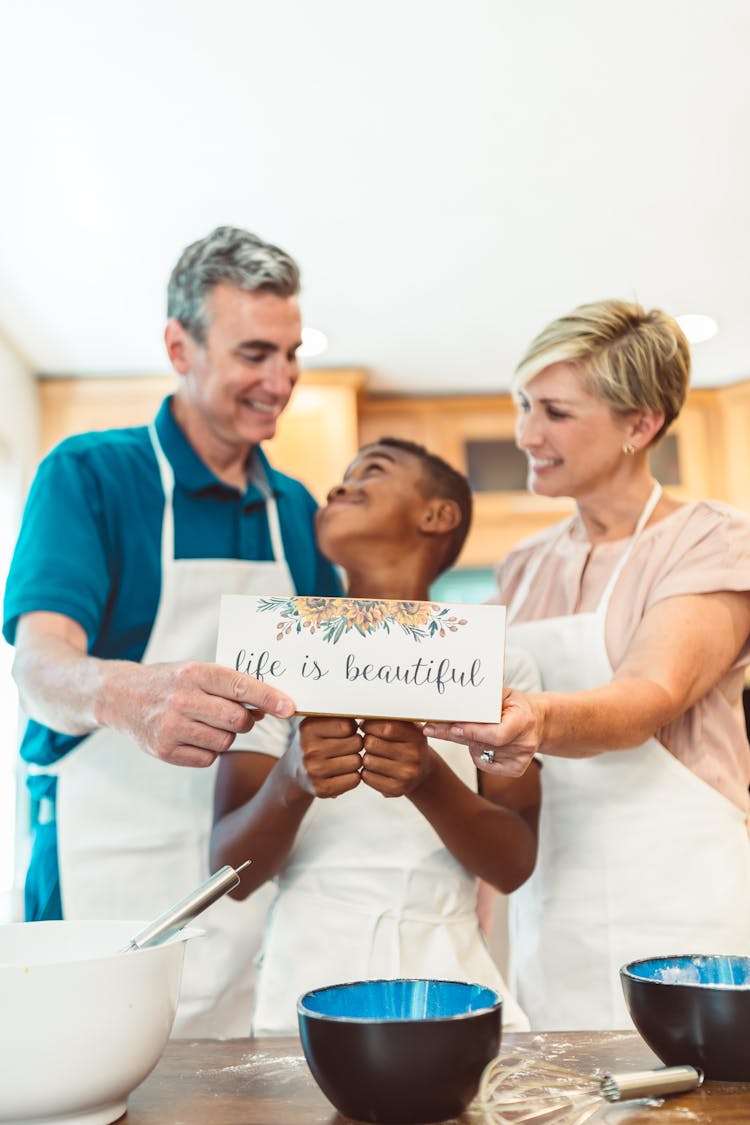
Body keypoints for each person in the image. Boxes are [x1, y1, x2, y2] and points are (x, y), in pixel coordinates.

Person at [2, 226, 342, 1035]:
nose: (281, 380)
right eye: (254, 353)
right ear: (178, 345)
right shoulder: (90, 475)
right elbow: (38, 666)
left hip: (257, 871)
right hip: (108, 857)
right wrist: (132, 693)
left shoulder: (297, 509)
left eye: (291, 355)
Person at [423, 299, 750, 1031]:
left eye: (556, 412)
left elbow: (648, 695)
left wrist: (531, 715)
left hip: (684, 883)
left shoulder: (715, 539)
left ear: (641, 425)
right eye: (522, 404)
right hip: (555, 884)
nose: (525, 433)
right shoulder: (522, 566)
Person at [211, 437, 541, 1035]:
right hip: (300, 990)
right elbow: (229, 870)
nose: (338, 487)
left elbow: (515, 862)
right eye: (341, 476)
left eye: (373, 471)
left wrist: (429, 779)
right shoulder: (275, 656)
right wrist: (291, 780)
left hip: (453, 983)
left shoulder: (497, 666)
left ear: (437, 515)